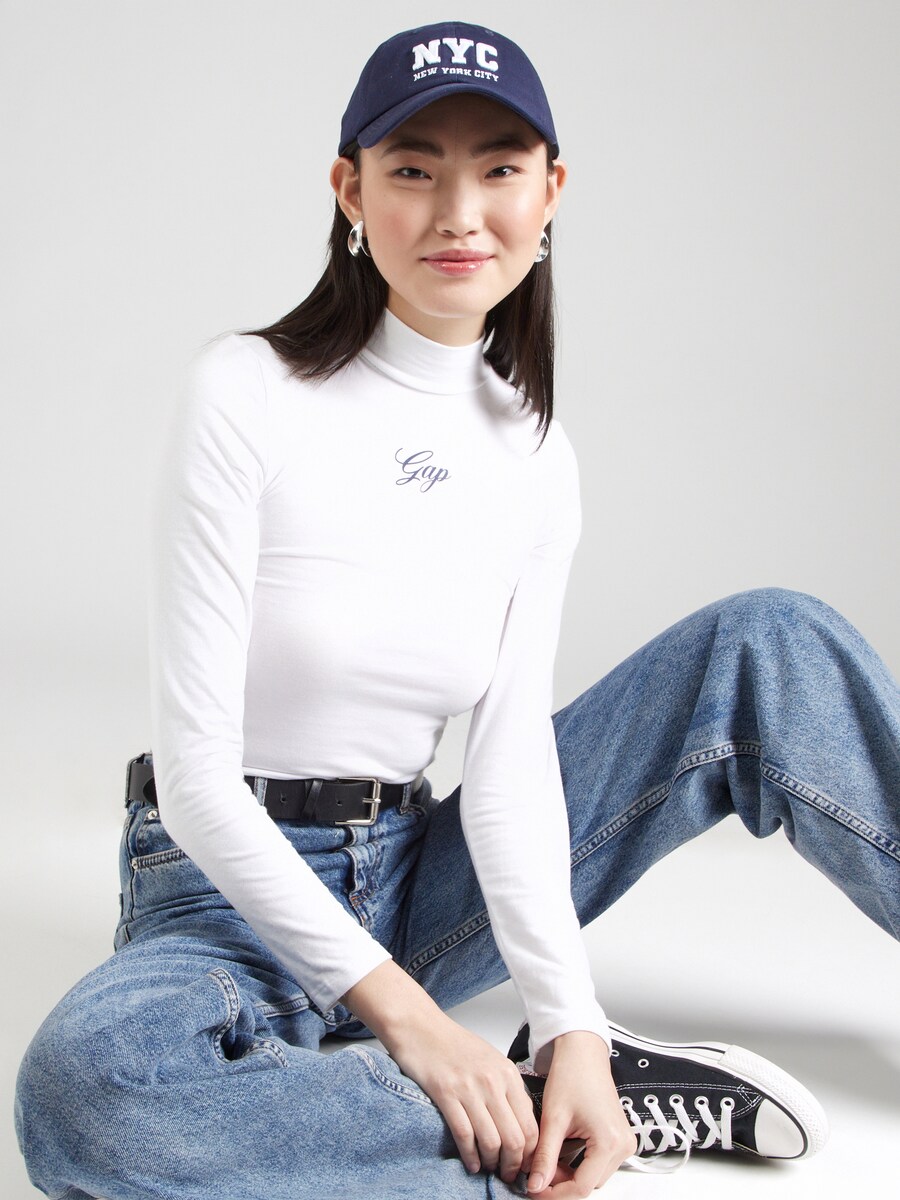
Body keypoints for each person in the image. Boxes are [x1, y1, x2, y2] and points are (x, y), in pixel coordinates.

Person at [14, 19, 899, 1200]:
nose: (458, 214)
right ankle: (526, 1124)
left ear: (550, 193)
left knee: (772, 644)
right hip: (224, 896)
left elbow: (512, 765)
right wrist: (420, 1028)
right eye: (415, 170)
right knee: (87, 1090)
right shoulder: (245, 392)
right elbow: (197, 780)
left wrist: (569, 1017)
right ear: (351, 190)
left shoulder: (533, 454)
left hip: (415, 872)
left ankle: (534, 1088)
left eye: (499, 169)